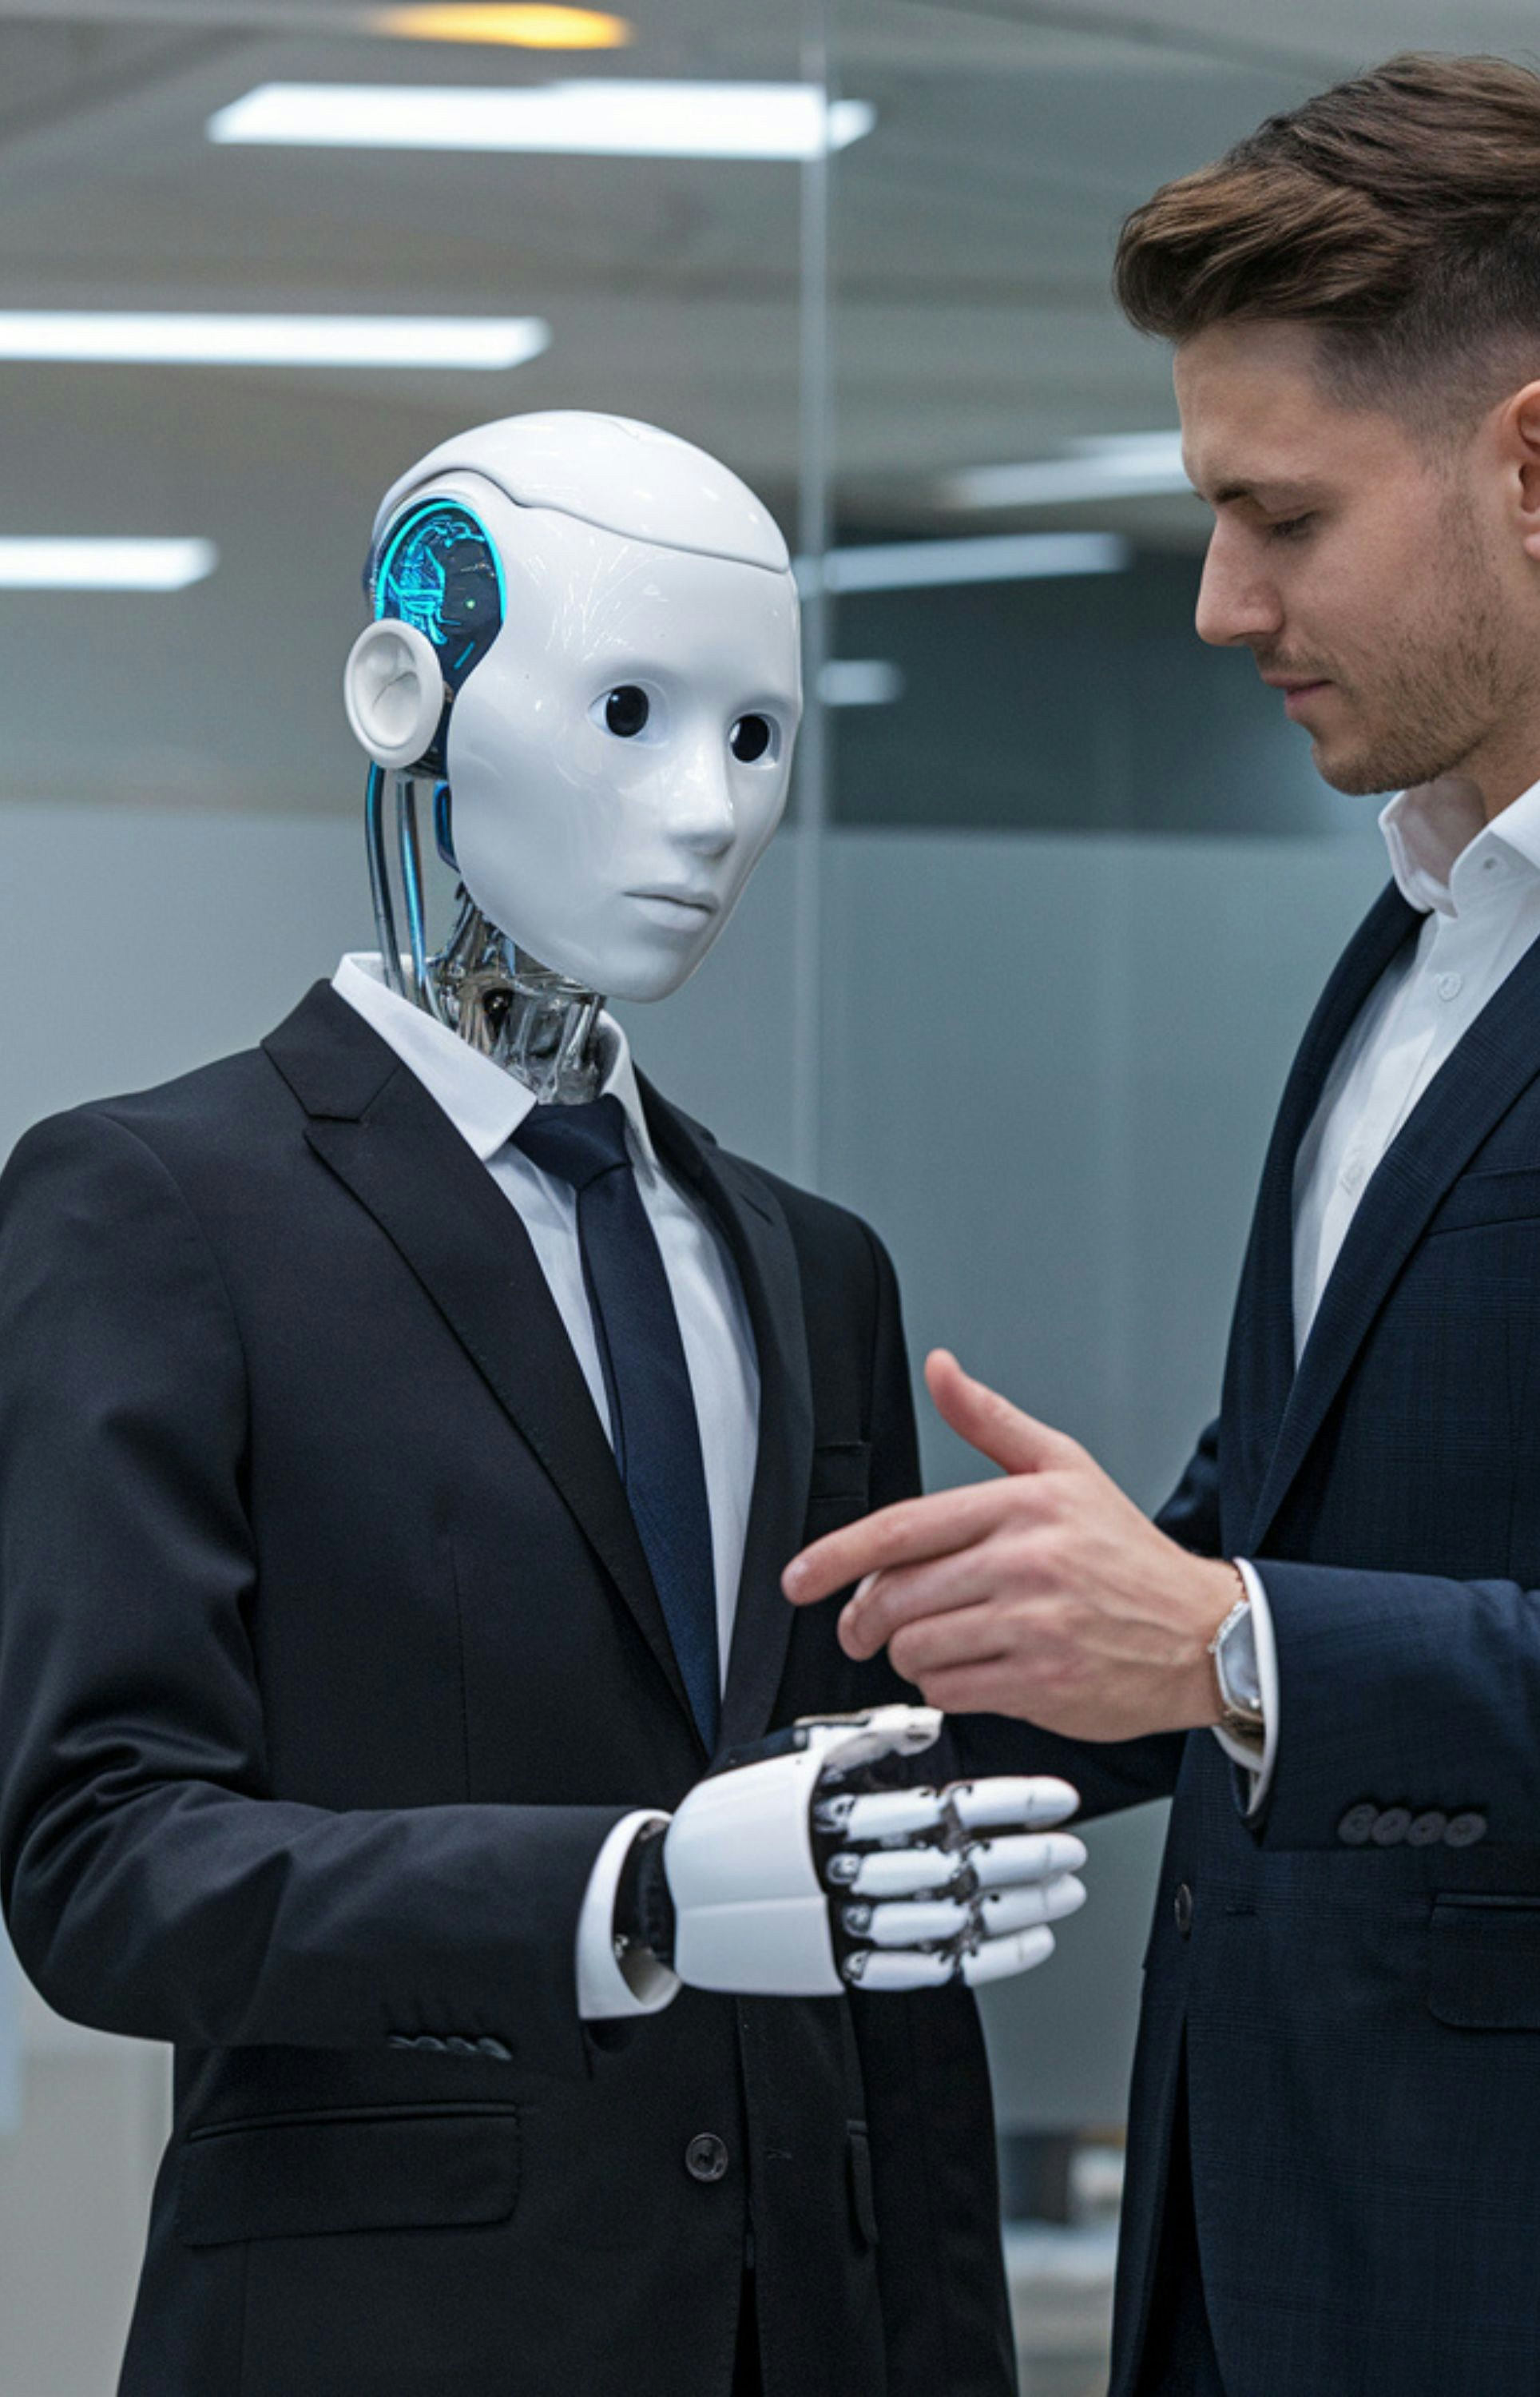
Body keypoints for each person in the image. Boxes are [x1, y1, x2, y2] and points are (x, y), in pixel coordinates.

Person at [782, 55, 1540, 2397]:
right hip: (1274, 2273)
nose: (1213, 600)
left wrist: (1235, 1645)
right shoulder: (1427, 931)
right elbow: (1293, 1548)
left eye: (1276, 516)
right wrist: (857, 1725)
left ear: (1537, 469)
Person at [0, 410, 1091, 2397]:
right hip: (393, 2339)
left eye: (757, 739)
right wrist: (630, 1893)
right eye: (628, 712)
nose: (706, 813)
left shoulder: (809, 1267)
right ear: (407, 692)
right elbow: (104, 1862)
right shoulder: (158, 1209)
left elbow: (884, 1910)